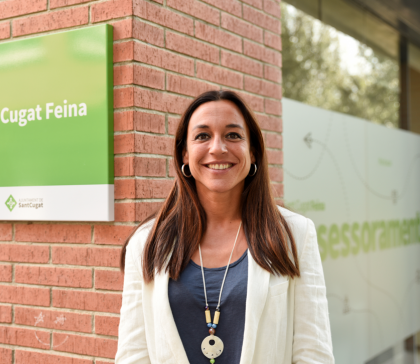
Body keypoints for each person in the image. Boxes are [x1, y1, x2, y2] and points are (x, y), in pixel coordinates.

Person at [115, 90, 334, 364]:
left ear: (253, 152)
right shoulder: (147, 242)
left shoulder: (295, 234)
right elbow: (133, 356)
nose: (217, 148)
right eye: (202, 136)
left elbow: (313, 355)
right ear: (184, 154)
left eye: (233, 135)